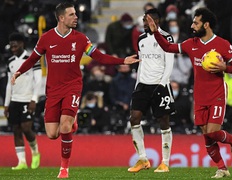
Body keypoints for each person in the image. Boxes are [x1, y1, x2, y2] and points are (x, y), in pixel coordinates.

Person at [10, 2, 140, 178]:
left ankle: (64, 168)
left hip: (73, 87)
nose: (76, 17)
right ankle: (72, 122)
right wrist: (18, 71)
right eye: (71, 14)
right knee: (52, 134)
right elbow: (33, 59)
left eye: (75, 14)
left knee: (64, 126)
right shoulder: (46, 38)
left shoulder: (81, 39)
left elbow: (99, 57)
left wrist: (122, 61)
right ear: (61, 18)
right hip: (53, 90)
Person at [147, 7, 232, 178]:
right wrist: (156, 33)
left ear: (206, 25)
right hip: (199, 96)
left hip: (217, 94)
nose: (192, 25)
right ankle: (222, 168)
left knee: (213, 132)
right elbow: (168, 47)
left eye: (195, 23)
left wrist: (224, 67)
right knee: (207, 137)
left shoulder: (222, 44)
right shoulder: (192, 44)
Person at [128, 8, 175, 173]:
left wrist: (163, 83)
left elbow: (169, 63)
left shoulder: (167, 37)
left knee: (163, 122)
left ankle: (165, 162)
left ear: (156, 21)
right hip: (143, 84)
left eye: (148, 21)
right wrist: (137, 85)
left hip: (160, 84)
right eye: (144, 21)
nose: (145, 24)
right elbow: (141, 63)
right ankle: (142, 158)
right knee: (134, 118)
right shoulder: (141, 39)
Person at [4, 32, 41, 170]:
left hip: (27, 99)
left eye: (16, 42)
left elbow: (38, 81)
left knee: (26, 128)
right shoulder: (10, 62)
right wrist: (7, 104)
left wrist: (34, 99)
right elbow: (9, 83)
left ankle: (35, 153)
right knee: (16, 130)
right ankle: (22, 162)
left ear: (22, 44)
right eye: (11, 42)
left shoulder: (32, 59)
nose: (13, 45)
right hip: (14, 100)